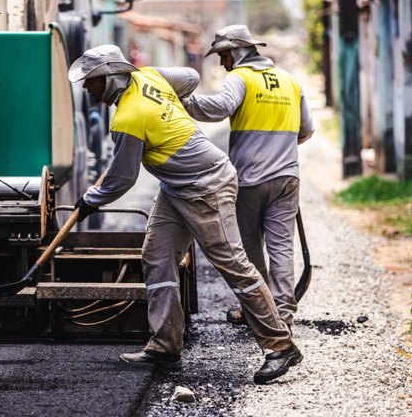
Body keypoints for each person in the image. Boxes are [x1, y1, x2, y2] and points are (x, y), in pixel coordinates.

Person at [68, 44, 302, 384]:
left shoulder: (128, 118)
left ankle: (280, 345)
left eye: (91, 82)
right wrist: (173, 102)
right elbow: (191, 77)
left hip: (207, 184)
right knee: (157, 255)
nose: (87, 89)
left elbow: (121, 179)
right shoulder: (151, 76)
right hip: (175, 187)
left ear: (111, 78)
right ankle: (165, 343)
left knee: (234, 264)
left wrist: (89, 201)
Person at [180, 25, 314, 328]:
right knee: (281, 246)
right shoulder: (290, 81)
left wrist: (183, 101)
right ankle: (283, 314)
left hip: (251, 180)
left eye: (223, 55)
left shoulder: (240, 77)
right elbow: (306, 130)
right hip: (286, 179)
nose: (221, 63)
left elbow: (219, 108)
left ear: (235, 51)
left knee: (250, 247)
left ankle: (258, 312)